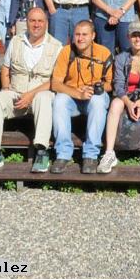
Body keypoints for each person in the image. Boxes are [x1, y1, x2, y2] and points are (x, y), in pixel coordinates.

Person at [0, 8, 62, 173]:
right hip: (16, 92)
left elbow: (55, 80)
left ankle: (42, 151)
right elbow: (6, 68)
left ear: (46, 23)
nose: (36, 25)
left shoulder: (56, 46)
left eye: (40, 21)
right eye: (32, 21)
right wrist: (6, 88)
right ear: (27, 23)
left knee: (44, 98)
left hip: (40, 94)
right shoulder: (16, 41)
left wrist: (31, 95)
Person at [97, 22, 140, 175]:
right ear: (128, 37)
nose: (137, 39)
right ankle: (109, 153)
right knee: (115, 104)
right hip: (127, 96)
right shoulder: (121, 58)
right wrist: (128, 102)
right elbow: (118, 85)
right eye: (134, 35)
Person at [49, 20, 114, 174]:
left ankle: (91, 155)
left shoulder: (103, 53)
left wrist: (94, 88)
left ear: (93, 36)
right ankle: (63, 154)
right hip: (73, 97)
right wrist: (78, 93)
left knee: (99, 101)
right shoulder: (66, 51)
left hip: (93, 96)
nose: (80, 38)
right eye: (77, 34)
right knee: (59, 100)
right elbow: (55, 84)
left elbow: (111, 84)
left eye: (85, 34)